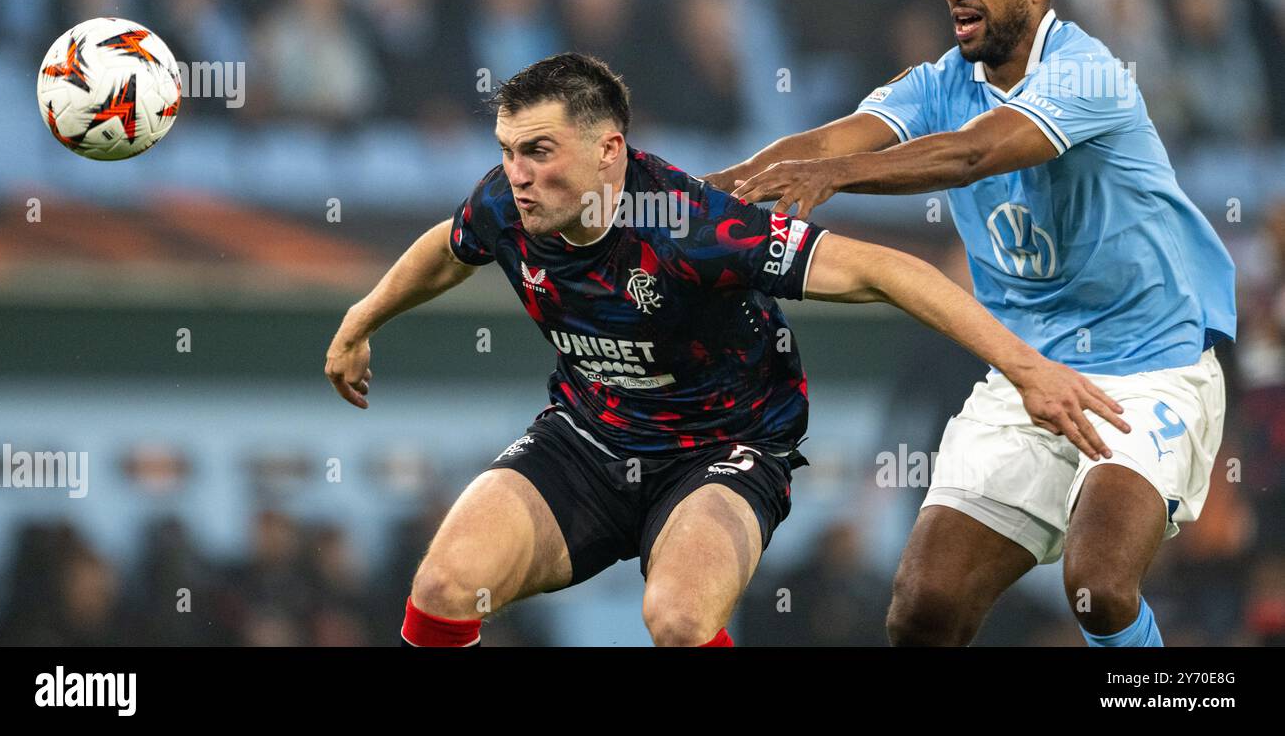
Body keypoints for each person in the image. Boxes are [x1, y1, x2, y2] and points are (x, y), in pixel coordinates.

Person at [326, 51, 1122, 647]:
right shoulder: (507, 203)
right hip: (587, 438)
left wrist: (1028, 370)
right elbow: (448, 246)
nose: (516, 174)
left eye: (538, 151)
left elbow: (885, 269)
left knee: (675, 618)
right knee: (443, 584)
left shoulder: (694, 227)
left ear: (608, 152)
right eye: (506, 150)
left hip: (722, 451)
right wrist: (363, 317)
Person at [706, 0, 1237, 647]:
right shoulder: (937, 82)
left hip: (1148, 372)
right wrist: (688, 201)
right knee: (924, 609)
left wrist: (836, 178)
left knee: (1098, 588)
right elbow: (818, 144)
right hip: (1025, 374)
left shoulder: (1088, 74)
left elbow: (973, 153)